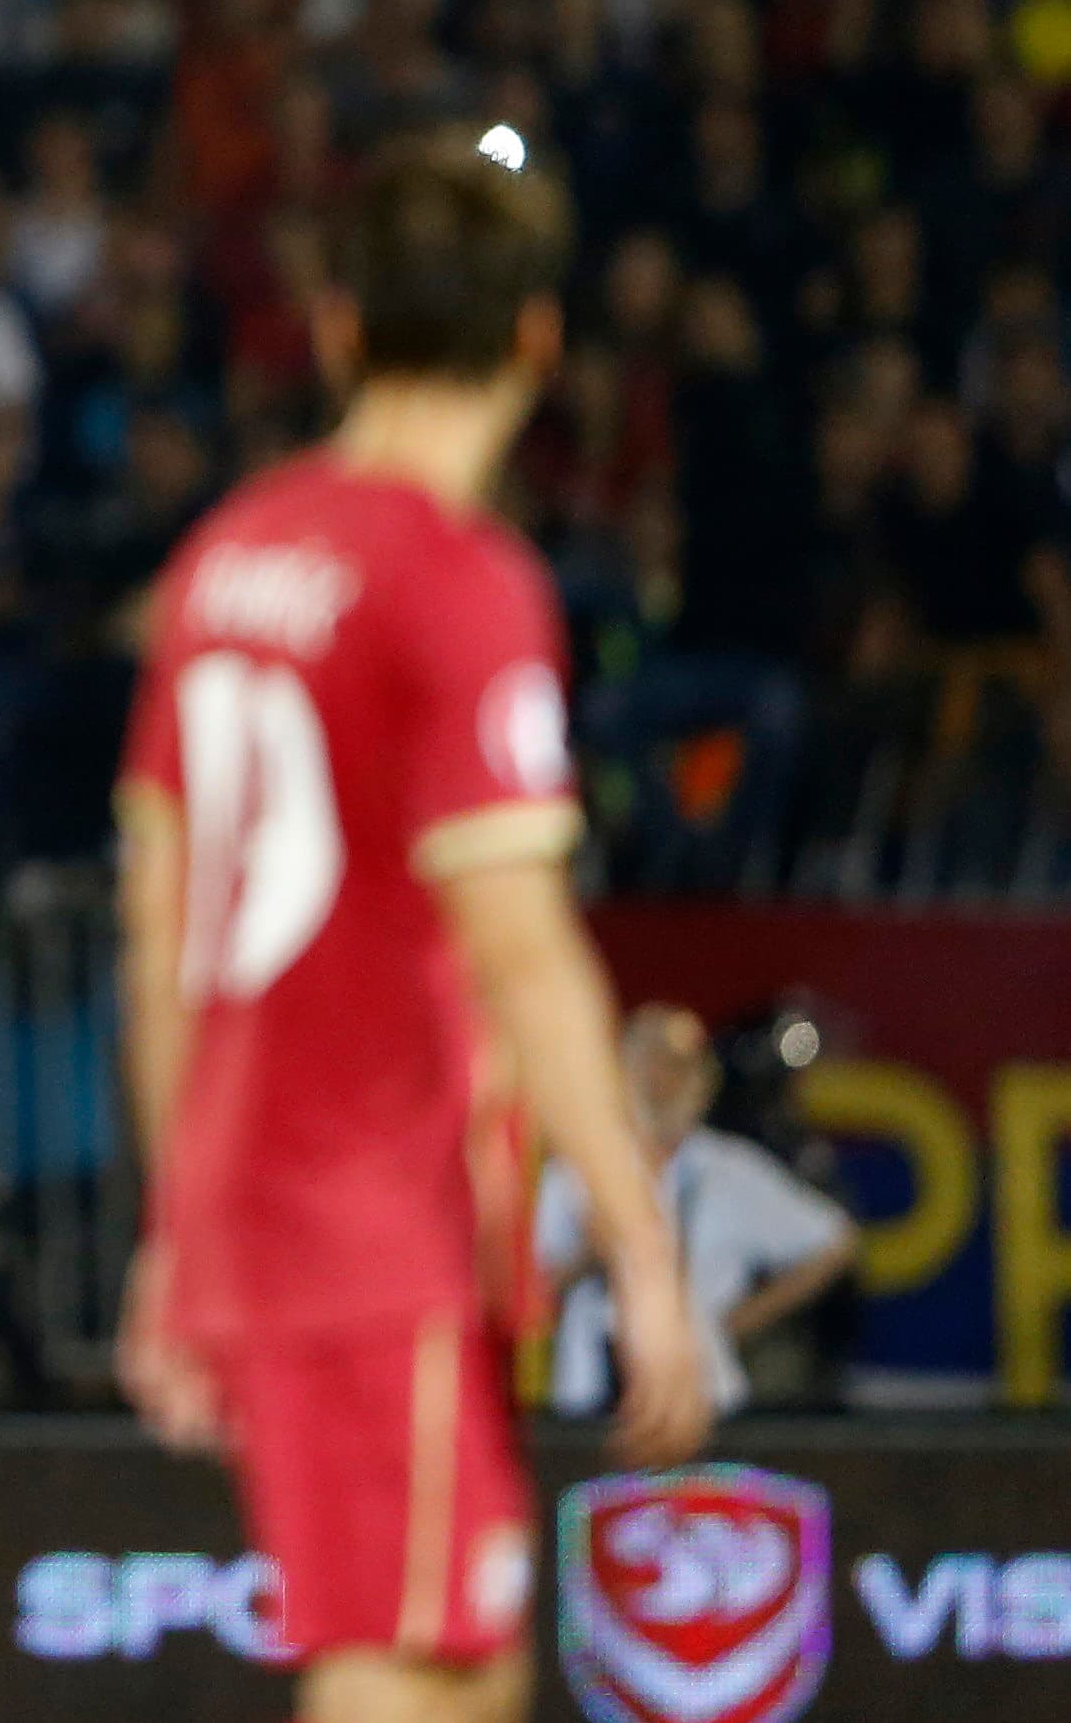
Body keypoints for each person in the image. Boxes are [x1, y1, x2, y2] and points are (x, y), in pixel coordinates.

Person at [114, 128, 712, 1723]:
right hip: (369, 1200)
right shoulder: (456, 579)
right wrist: (646, 1250)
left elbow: (158, 921)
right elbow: (522, 952)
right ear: (538, 337)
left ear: (337, 328)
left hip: (266, 1190)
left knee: (466, 1657)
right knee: (402, 1661)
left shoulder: (228, 557)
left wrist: (179, 1222)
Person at [536, 1005, 858, 1417]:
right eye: (648, 1062)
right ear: (619, 1073)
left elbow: (834, 1243)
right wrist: (588, 1255)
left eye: (677, 1065)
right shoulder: (576, 1172)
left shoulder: (731, 1170)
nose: (661, 1081)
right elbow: (530, 1295)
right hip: (589, 1403)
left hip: (707, 1402)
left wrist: (733, 1324)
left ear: (703, 1080)